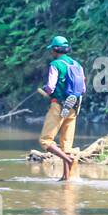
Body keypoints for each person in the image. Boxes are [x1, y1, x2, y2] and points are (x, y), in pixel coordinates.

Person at [37, 35, 85, 181]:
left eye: (52, 49)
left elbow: (51, 87)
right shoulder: (77, 65)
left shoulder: (55, 64)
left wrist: (45, 90)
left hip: (58, 105)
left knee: (45, 141)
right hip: (75, 106)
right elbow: (82, 89)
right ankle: (66, 178)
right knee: (67, 145)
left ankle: (69, 161)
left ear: (54, 50)